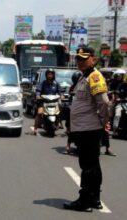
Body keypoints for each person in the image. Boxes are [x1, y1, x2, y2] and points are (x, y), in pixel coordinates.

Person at [63, 47, 110, 212]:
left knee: (87, 166)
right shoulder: (85, 77)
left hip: (89, 129)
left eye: (84, 58)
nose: (80, 61)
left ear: (94, 59)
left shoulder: (94, 77)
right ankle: (95, 199)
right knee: (93, 165)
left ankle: (84, 201)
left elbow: (103, 102)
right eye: (78, 59)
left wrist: (104, 121)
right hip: (85, 129)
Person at [31, 68, 63, 135]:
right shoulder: (43, 83)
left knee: (61, 108)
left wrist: (62, 96)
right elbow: (38, 91)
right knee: (39, 113)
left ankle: (60, 122)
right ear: (46, 75)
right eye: (49, 74)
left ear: (53, 75)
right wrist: (38, 96)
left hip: (54, 102)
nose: (50, 75)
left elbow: (60, 91)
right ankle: (35, 129)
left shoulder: (56, 83)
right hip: (43, 101)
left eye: (51, 74)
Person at [64, 71, 82, 154]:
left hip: (84, 109)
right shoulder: (72, 87)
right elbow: (68, 96)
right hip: (74, 107)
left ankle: (107, 148)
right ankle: (68, 146)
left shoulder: (84, 86)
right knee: (71, 125)